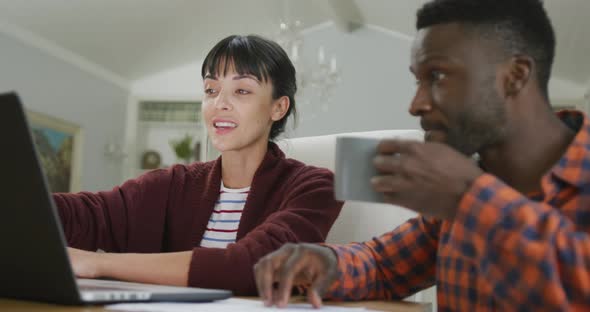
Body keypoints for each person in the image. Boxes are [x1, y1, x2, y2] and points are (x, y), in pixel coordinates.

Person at [254, 0, 590, 310]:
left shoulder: (468, 194)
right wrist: (327, 262)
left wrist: (468, 197)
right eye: (419, 81)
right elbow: (384, 265)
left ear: (515, 76)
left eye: (438, 76)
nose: (416, 105)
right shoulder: (469, 191)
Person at [54, 35, 342, 295]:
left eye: (242, 90)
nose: (220, 103)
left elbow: (257, 265)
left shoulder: (316, 186)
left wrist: (98, 263)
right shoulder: (171, 184)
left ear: (278, 107)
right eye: (211, 89)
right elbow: (85, 214)